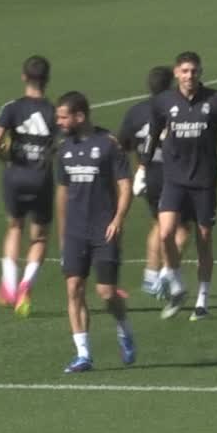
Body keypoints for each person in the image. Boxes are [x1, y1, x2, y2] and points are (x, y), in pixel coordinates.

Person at [140, 51, 217, 320]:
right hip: (174, 180)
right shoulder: (163, 102)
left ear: (200, 72)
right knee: (166, 233)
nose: (189, 75)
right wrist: (142, 168)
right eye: (184, 71)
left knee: (204, 241)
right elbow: (152, 134)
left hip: (204, 182)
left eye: (194, 71)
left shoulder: (215, 101)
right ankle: (176, 280)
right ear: (176, 73)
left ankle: (202, 299)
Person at [54, 91, 136, 373]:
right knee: (74, 288)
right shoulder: (64, 149)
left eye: (64, 117)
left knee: (106, 292)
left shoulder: (108, 145)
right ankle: (83, 354)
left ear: (80, 116)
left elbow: (126, 186)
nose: (60, 122)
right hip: (76, 232)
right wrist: (63, 234)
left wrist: (118, 219)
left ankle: (124, 328)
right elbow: (63, 194)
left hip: (104, 230)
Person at [0, 55, 57, 318]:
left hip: (15, 175)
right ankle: (26, 285)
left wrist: (3, 156)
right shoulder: (53, 110)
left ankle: (9, 284)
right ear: (47, 79)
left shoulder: (12, 107)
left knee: (15, 226)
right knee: (39, 237)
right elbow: (61, 143)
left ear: (24, 77)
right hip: (41, 179)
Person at [117, 65, 192, 299]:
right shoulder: (175, 109)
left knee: (158, 224)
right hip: (174, 175)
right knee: (181, 230)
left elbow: (124, 144)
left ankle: (150, 277)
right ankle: (166, 276)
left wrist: (140, 166)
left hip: (149, 174)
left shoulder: (135, 112)